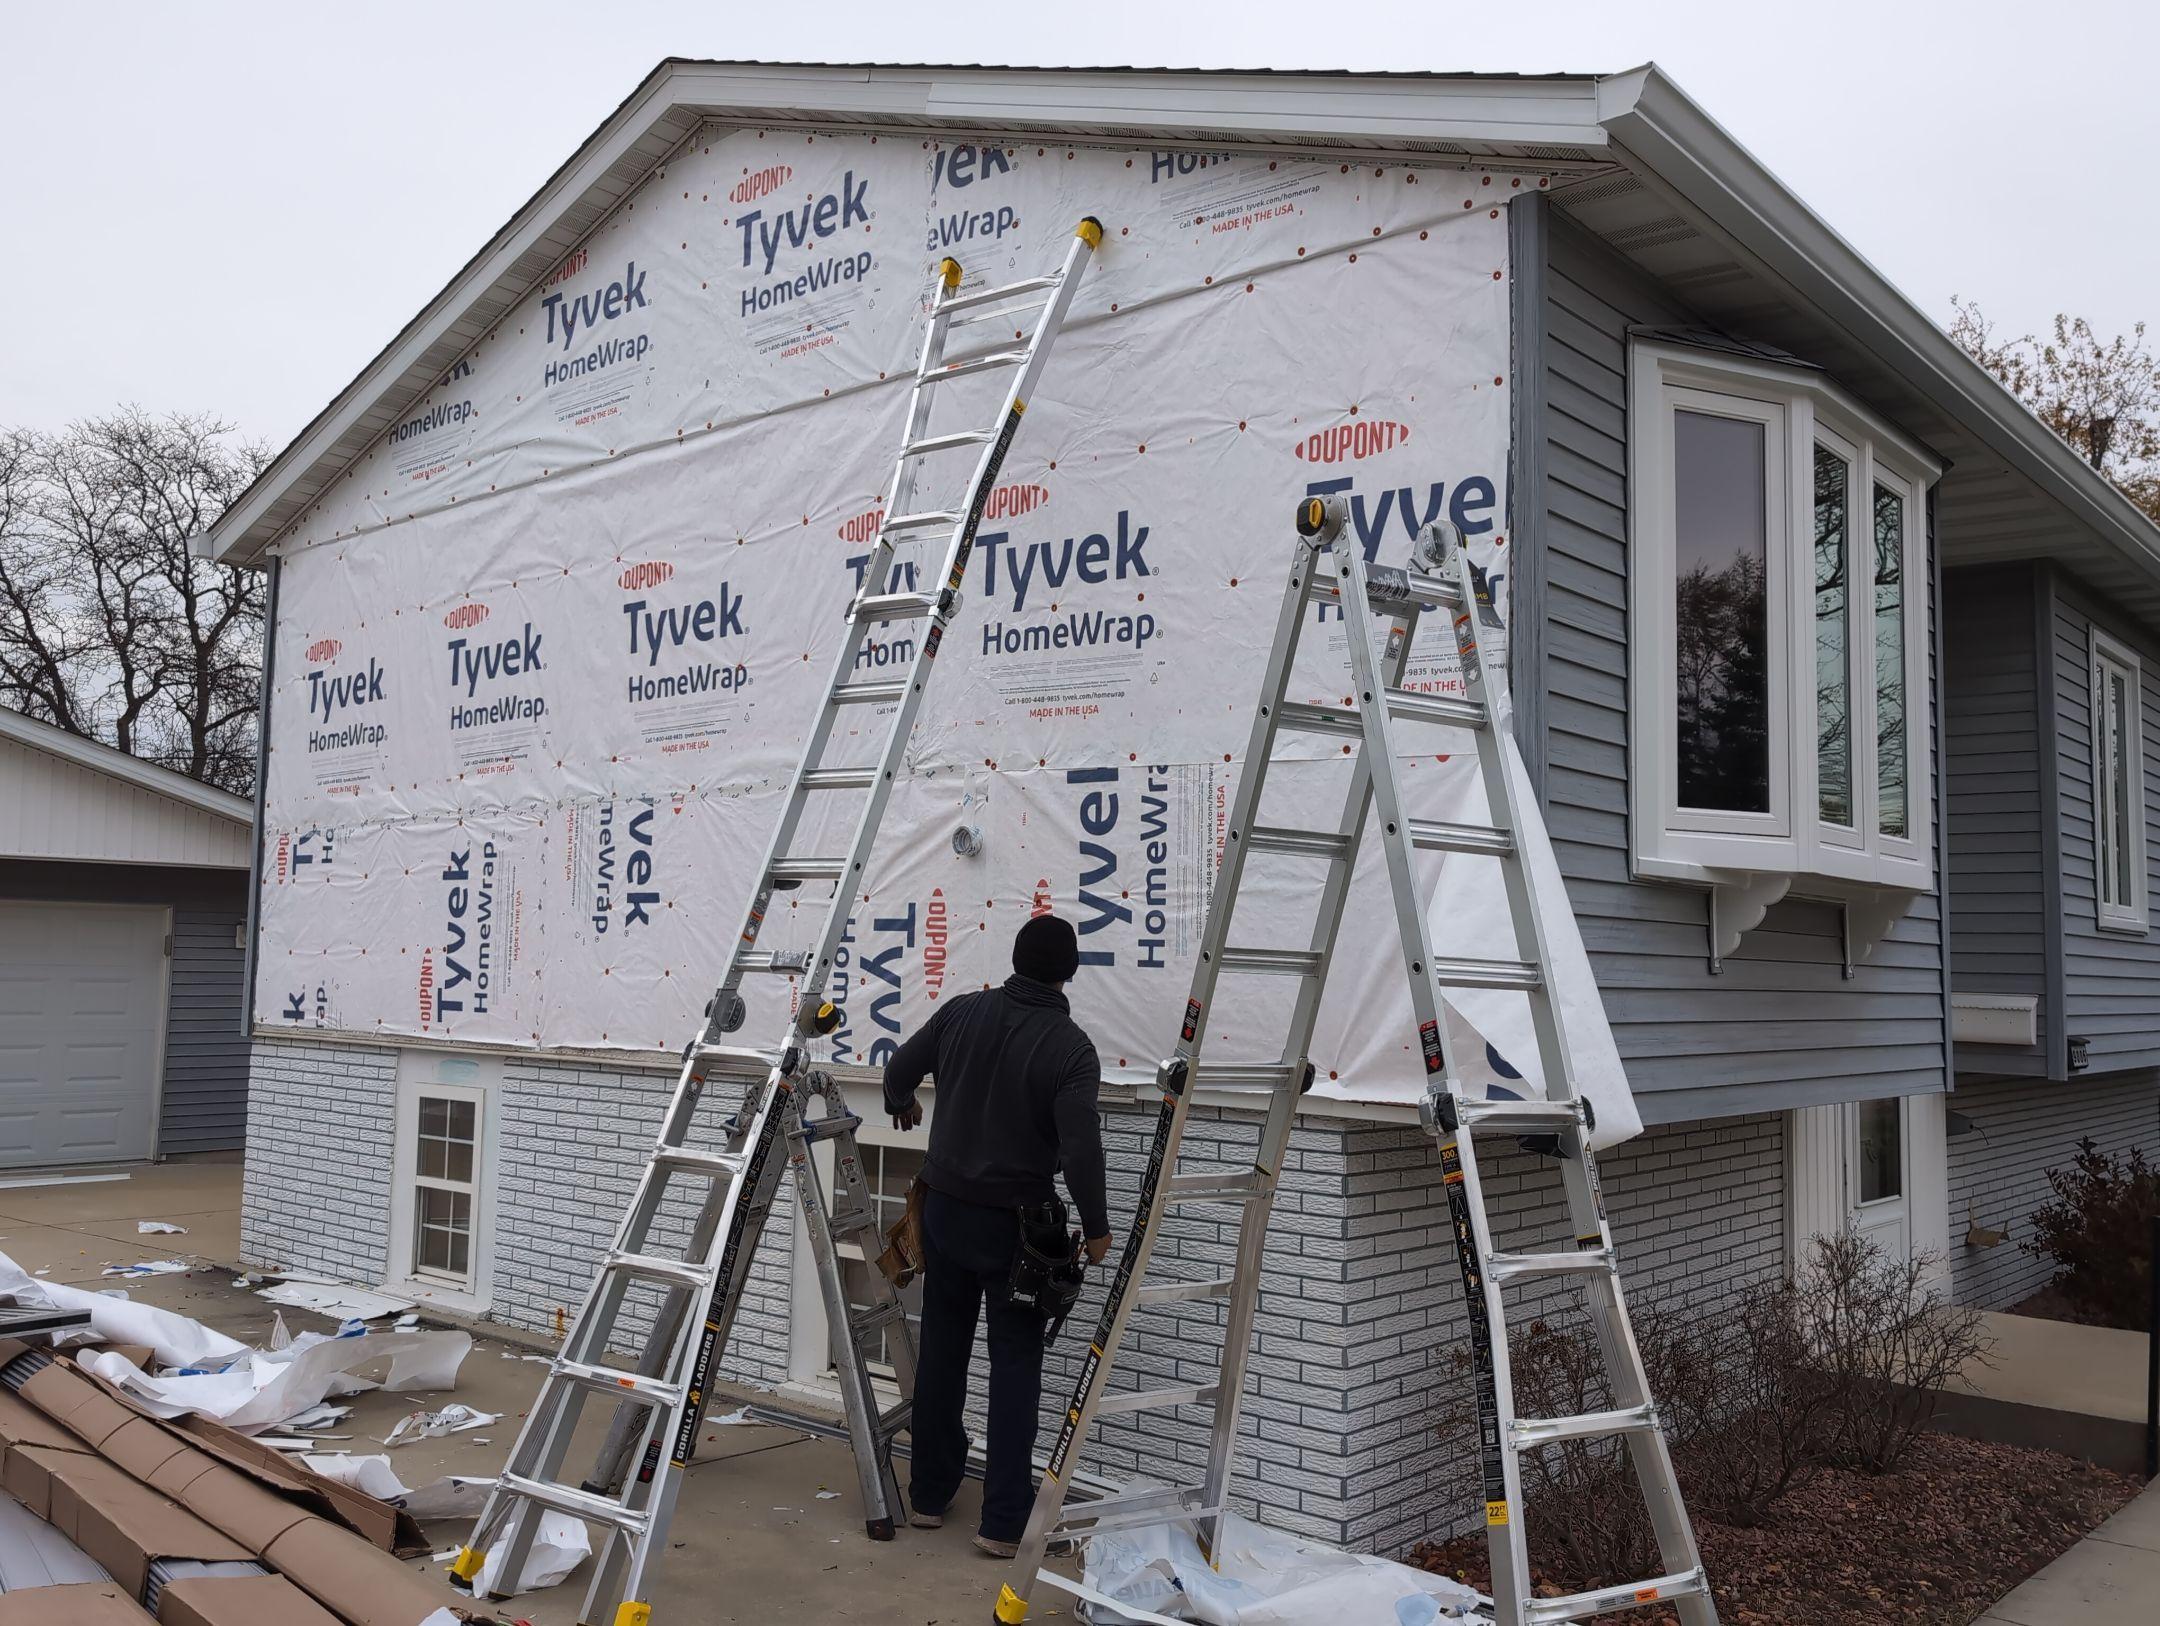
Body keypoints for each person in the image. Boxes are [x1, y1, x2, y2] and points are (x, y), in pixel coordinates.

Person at [881, 913, 1112, 1558]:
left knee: (943, 1354)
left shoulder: (961, 1011)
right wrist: (1095, 1229)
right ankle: (1003, 1524)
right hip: (1016, 1233)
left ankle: (927, 1497)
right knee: (1014, 1370)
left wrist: (903, 1104)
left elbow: (899, 1069)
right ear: (1069, 972)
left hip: (945, 1213)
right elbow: (1080, 1149)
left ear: (1013, 959)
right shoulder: (1070, 1047)